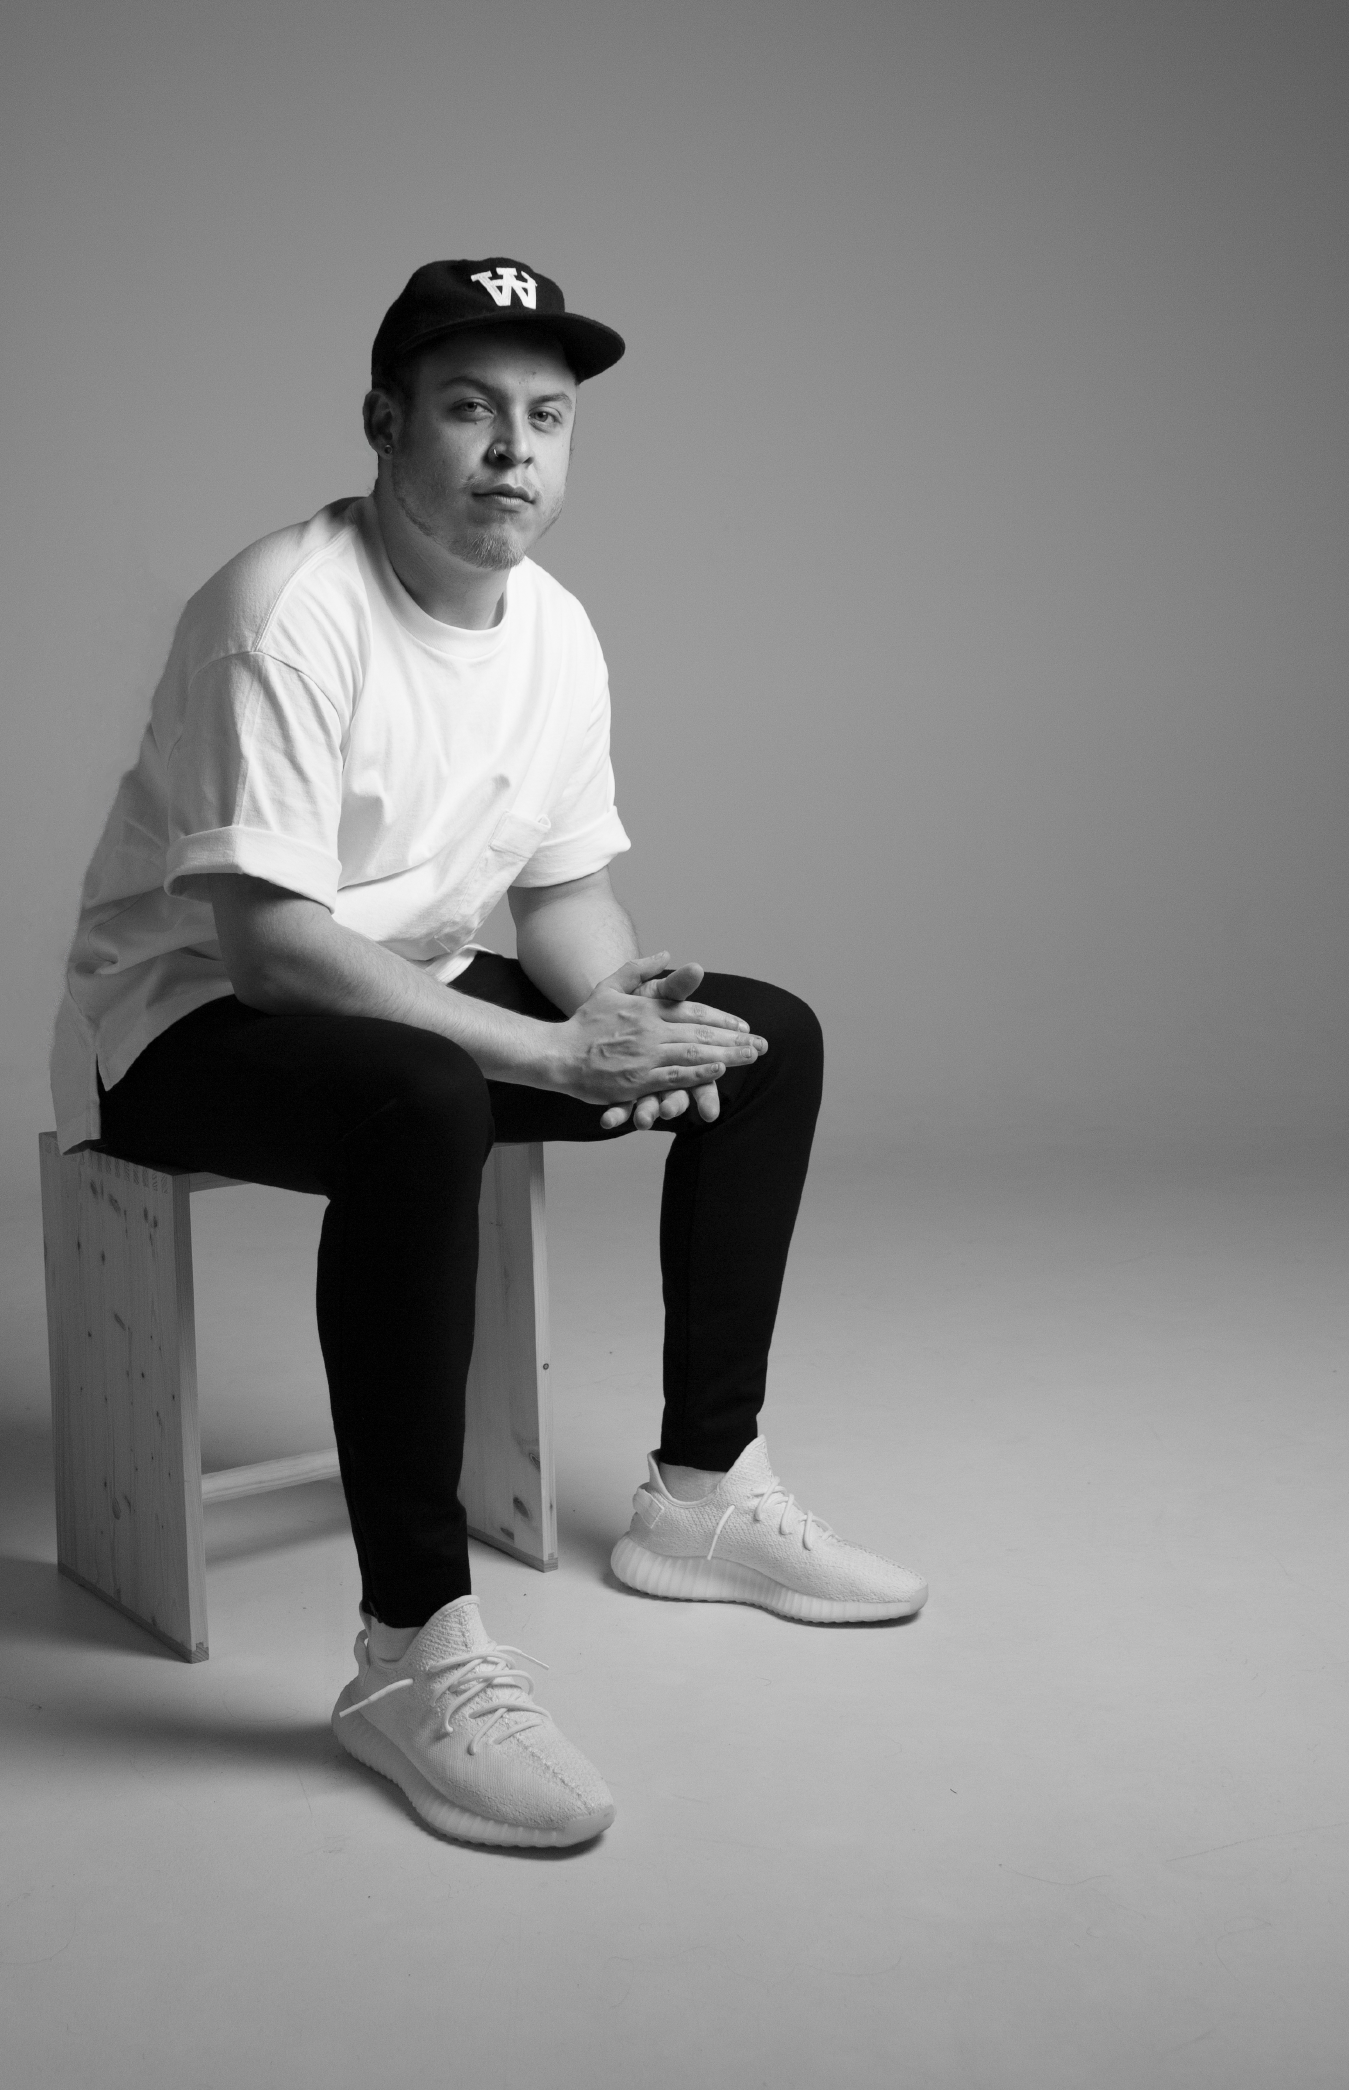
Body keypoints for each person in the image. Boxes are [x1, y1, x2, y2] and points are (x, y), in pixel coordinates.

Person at [51, 255, 927, 1851]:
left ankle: (703, 1496)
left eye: (549, 417)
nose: (514, 450)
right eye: (470, 409)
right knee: (428, 1098)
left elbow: (562, 893)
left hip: (421, 991)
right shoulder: (280, 613)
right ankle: (412, 1653)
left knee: (766, 1040)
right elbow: (274, 948)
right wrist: (551, 1055)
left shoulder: (558, 630)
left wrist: (621, 1016)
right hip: (187, 1023)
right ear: (385, 423)